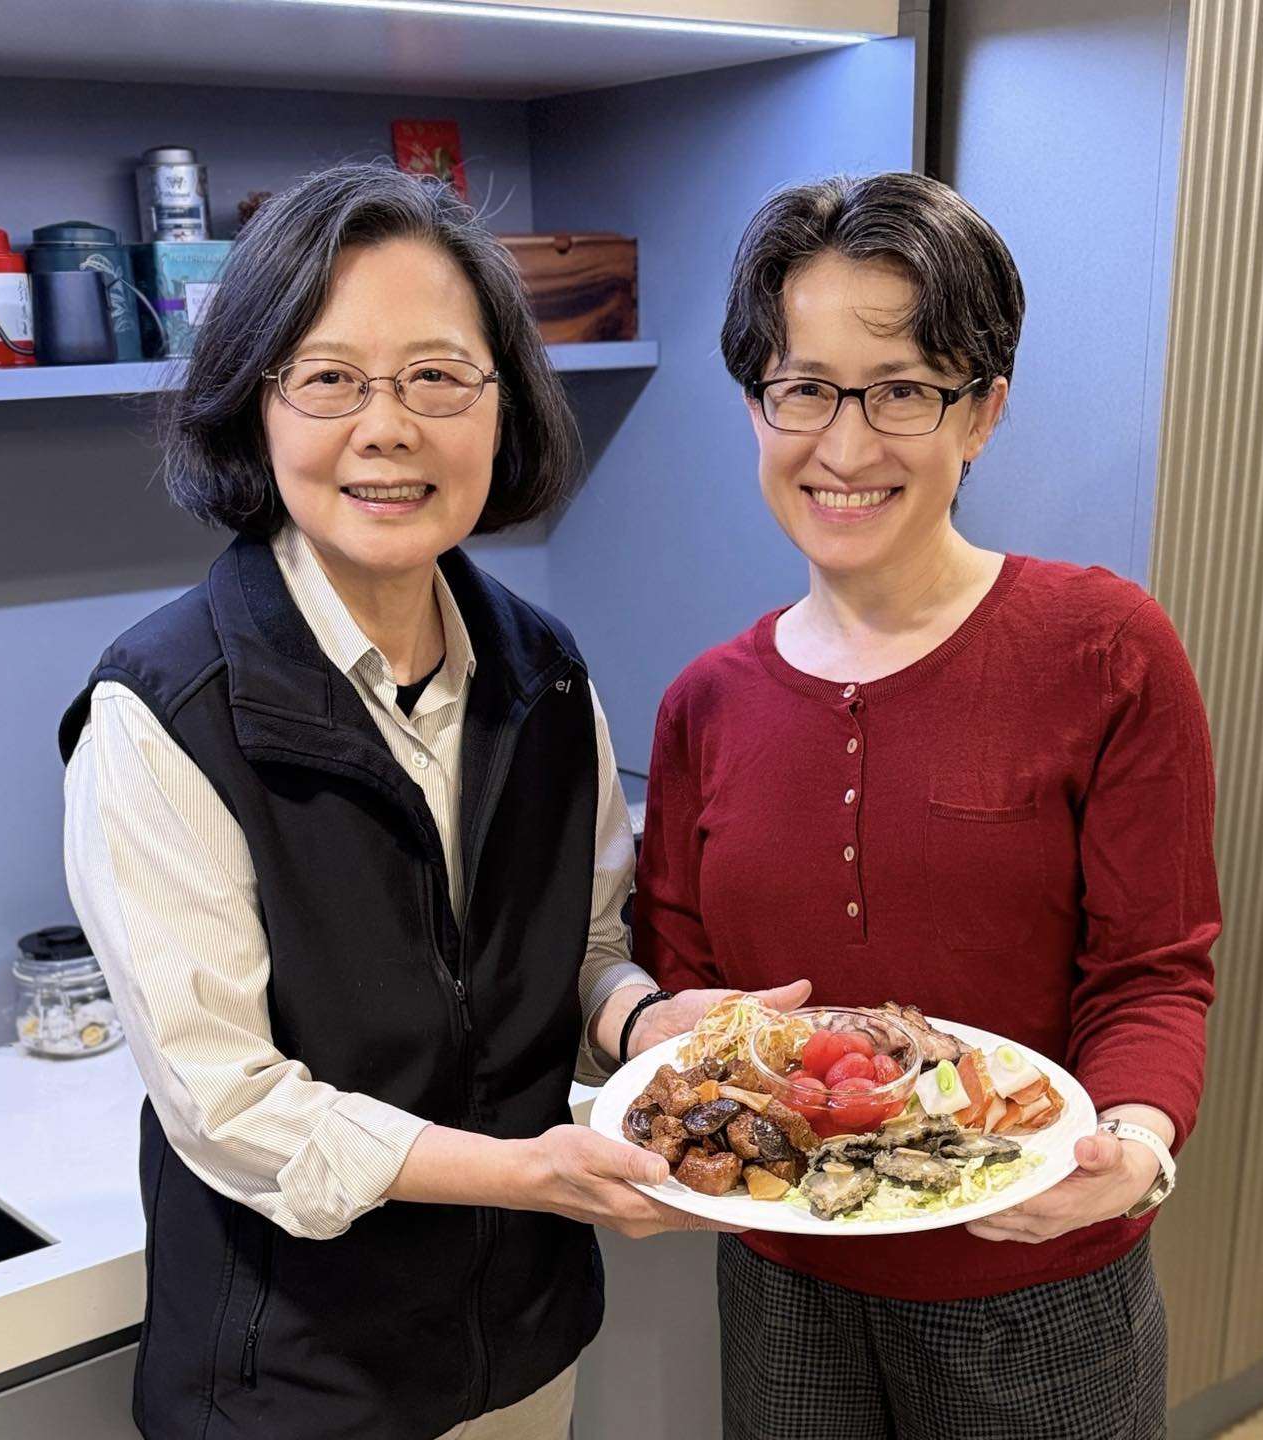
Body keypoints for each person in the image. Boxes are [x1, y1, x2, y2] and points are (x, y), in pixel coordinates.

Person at [60, 161, 799, 1440]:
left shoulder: (545, 672)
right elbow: (231, 1106)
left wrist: (653, 1026)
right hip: (292, 1384)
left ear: (501, 409)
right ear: (255, 409)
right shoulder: (163, 713)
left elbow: (582, 951)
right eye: (330, 377)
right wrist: (524, 1174)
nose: (388, 426)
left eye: (438, 377)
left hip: (519, 1345)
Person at [633, 172, 1220, 1440]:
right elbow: (679, 979)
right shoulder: (705, 704)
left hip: (1039, 1282)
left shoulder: (1104, 648)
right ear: (756, 405)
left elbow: (1155, 971)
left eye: (902, 389)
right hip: (785, 1278)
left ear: (983, 411)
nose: (845, 447)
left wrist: (1129, 1147)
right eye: (804, 389)